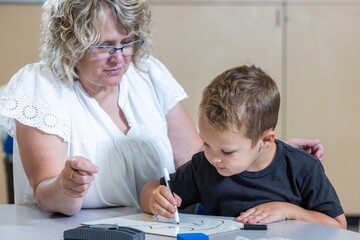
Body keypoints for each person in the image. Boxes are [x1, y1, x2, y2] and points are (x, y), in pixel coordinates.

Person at [0, 0, 323, 216]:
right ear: (69, 42)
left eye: (128, 42)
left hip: (153, 228)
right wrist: (68, 186)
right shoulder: (40, 85)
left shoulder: (146, 72)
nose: (120, 57)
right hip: (69, 230)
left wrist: (262, 154)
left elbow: (201, 159)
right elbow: (48, 196)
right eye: (104, 46)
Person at [140, 65, 346, 229]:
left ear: (265, 140)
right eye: (206, 143)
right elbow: (148, 191)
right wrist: (155, 199)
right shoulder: (204, 166)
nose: (213, 157)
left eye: (227, 151)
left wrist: (288, 211)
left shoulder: (303, 168)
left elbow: (338, 225)